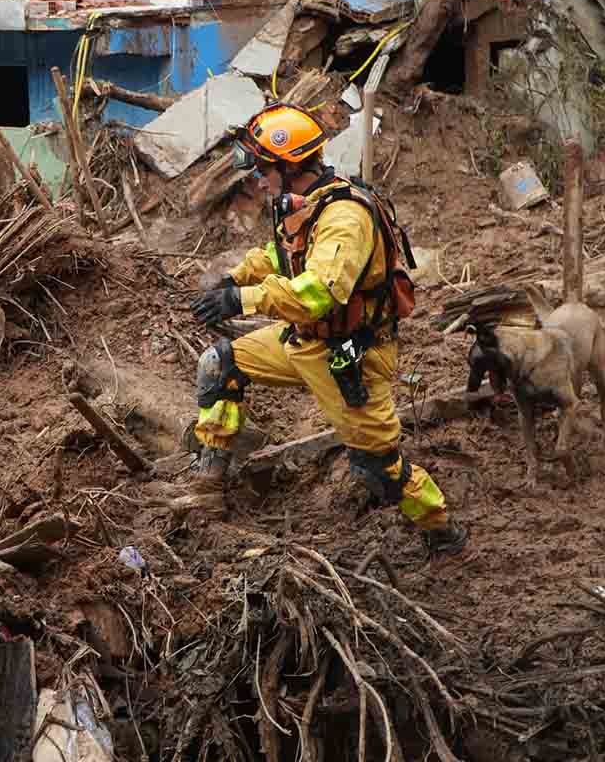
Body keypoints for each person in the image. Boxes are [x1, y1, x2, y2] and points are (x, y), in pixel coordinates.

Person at [188, 102, 467, 559]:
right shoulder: (307, 206)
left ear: (289, 164)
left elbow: (320, 292)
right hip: (306, 339)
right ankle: (207, 487)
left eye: (262, 167)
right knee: (221, 364)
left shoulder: (345, 217)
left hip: (349, 355)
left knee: (380, 468)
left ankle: (443, 531)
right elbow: (283, 256)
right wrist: (235, 278)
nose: (257, 178)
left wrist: (243, 300)